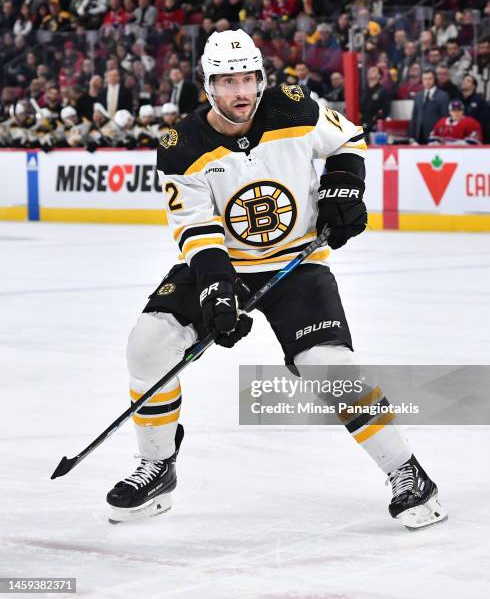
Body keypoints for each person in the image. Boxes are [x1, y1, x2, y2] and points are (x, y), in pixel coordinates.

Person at [106, 29, 447, 529]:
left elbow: (348, 137)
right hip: (225, 262)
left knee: (328, 366)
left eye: (248, 78)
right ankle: (158, 466)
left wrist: (343, 188)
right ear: (208, 85)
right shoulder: (181, 145)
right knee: (148, 344)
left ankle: (409, 474)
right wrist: (217, 288)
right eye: (227, 81)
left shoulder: (295, 108)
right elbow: (197, 229)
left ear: (262, 77)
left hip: (298, 263)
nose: (240, 91)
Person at [409, 69, 449, 144]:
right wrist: (412, 136)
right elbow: (414, 117)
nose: (427, 81)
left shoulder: (443, 96)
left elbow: (445, 117)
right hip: (419, 135)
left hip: (435, 136)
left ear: (434, 79)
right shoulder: (418, 96)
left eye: (430, 79)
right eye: (425, 79)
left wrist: (442, 136)